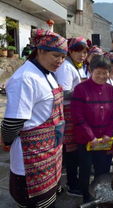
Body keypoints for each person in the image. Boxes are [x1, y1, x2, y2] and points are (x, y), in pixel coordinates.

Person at [0, 29, 67, 208]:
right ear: (40, 51)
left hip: (50, 153)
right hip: (31, 160)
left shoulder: (47, 74)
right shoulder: (25, 78)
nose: (60, 61)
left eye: (63, 57)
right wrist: (6, 140)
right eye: (56, 55)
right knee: (35, 203)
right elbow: (12, 122)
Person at [71, 55, 113, 203]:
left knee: (102, 171)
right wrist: (91, 137)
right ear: (90, 70)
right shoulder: (80, 89)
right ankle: (86, 198)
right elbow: (77, 116)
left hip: (104, 140)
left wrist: (108, 134)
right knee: (85, 171)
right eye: (98, 72)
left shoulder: (110, 89)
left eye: (106, 73)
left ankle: (100, 198)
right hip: (86, 140)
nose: (102, 76)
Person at [54, 37, 89, 196]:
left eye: (85, 52)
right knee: (70, 151)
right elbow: (64, 92)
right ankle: (71, 184)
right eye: (78, 51)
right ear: (70, 51)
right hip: (67, 112)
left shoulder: (77, 66)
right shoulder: (66, 67)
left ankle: (71, 182)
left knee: (73, 149)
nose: (82, 55)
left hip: (75, 111)